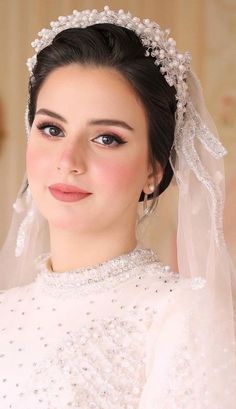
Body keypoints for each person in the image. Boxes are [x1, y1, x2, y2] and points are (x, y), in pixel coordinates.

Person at [0, 6, 235, 408]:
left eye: (106, 138)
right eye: (51, 129)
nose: (68, 160)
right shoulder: (6, 311)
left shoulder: (179, 315)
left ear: (153, 171)